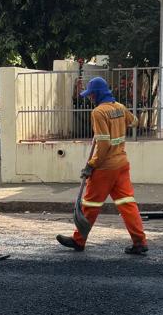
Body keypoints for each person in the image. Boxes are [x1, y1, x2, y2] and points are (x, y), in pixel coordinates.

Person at [56, 76, 148, 255]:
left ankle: (78, 240)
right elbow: (134, 121)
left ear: (97, 94)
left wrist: (91, 165)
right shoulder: (119, 107)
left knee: (90, 204)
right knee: (127, 204)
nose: (90, 98)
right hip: (122, 164)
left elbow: (104, 145)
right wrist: (118, 123)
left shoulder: (98, 112)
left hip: (105, 167)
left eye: (91, 94)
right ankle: (140, 242)